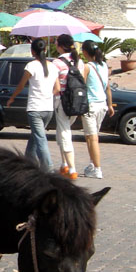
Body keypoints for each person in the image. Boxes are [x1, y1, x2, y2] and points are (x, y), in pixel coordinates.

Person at [6, 39, 60, 172]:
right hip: (48, 108)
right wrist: (47, 95)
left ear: (33, 51)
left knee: (40, 138)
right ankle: (28, 161)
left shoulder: (31, 66)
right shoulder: (53, 67)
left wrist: (12, 98)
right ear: (46, 50)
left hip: (35, 108)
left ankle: (48, 168)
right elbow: (57, 88)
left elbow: (21, 85)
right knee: (36, 135)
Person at [80, 41, 114, 179]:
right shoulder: (104, 65)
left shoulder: (87, 67)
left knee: (92, 138)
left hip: (91, 105)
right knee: (90, 137)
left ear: (85, 52)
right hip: (102, 105)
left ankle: (98, 169)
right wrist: (110, 105)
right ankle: (93, 165)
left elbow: (80, 84)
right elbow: (107, 87)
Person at [52, 34, 85, 179]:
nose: (54, 44)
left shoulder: (56, 63)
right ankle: (64, 164)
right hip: (77, 102)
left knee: (65, 133)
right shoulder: (79, 61)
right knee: (62, 131)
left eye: (56, 42)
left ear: (61, 46)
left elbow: (55, 85)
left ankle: (72, 168)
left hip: (62, 102)